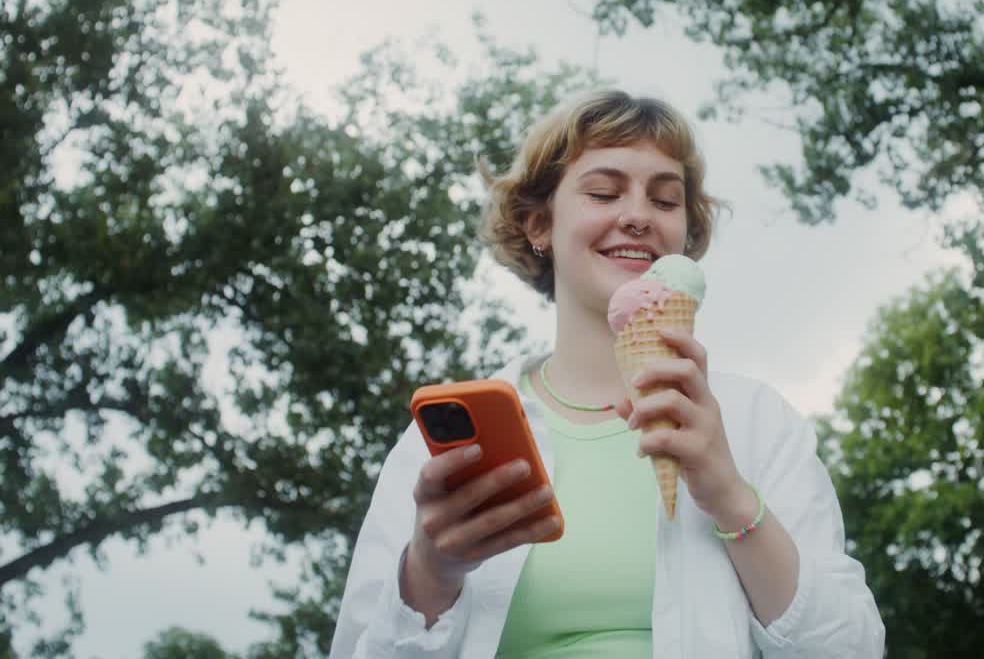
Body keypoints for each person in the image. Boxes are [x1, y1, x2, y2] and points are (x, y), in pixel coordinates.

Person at [330, 89, 884, 658]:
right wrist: (429, 569)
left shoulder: (756, 421)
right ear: (539, 224)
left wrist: (731, 497)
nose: (639, 216)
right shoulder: (450, 439)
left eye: (666, 201)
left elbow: (853, 650)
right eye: (603, 192)